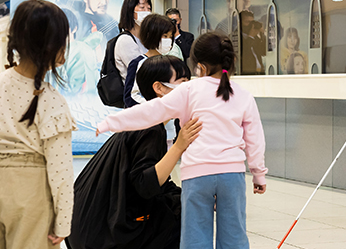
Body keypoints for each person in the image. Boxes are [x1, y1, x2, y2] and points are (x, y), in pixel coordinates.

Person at [96, 32, 268, 249]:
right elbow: (255, 138)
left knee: (195, 237)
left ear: (200, 67)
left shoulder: (189, 89)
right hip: (231, 175)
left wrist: (110, 122)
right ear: (230, 62)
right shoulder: (242, 94)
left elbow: (152, 111)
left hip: (197, 175)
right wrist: (258, 174)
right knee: (234, 236)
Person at [65, 55, 200, 249]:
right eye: (182, 82)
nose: (189, 88)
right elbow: (145, 184)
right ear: (159, 88)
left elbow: (159, 183)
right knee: (181, 214)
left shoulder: (141, 119)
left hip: (84, 228)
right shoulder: (151, 128)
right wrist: (180, 146)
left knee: (180, 200)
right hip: (105, 235)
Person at [0, 0, 77, 248]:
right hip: (30, 194)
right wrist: (63, 223)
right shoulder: (52, 101)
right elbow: (61, 172)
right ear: (54, 46)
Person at [124, 14, 181, 108]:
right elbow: (131, 96)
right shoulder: (139, 63)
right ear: (151, 36)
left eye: (170, 36)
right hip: (147, 116)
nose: (168, 40)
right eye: (164, 36)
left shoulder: (170, 63)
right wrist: (154, 108)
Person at [115, 0, 152, 84]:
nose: (147, 12)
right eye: (142, 8)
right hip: (135, 95)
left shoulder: (145, 39)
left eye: (149, 8)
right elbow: (142, 71)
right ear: (130, 11)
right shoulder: (125, 40)